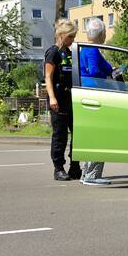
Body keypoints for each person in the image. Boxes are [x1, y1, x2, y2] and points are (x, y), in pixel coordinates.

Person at [77, 18, 115, 187]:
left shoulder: (86, 49)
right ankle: (92, 174)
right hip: (95, 95)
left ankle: (86, 172)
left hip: (86, 95)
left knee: (90, 133)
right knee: (100, 133)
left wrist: (112, 70)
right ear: (101, 34)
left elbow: (104, 67)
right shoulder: (92, 51)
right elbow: (93, 71)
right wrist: (107, 77)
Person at [45, 19, 81, 181]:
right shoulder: (53, 52)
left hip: (72, 99)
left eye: (73, 37)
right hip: (58, 99)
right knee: (60, 135)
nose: (72, 40)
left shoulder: (70, 52)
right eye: (70, 37)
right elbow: (48, 77)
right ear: (61, 35)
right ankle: (58, 168)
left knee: (78, 133)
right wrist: (52, 98)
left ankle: (75, 166)